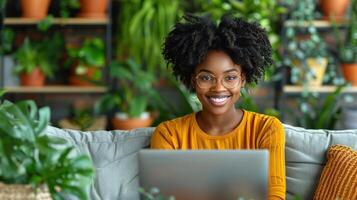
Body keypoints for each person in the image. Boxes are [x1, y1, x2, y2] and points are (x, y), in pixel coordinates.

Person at [151, 14, 286, 200]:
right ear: (193, 80)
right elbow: (163, 196)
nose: (219, 88)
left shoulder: (266, 129)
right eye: (206, 77)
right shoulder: (169, 135)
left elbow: (275, 195)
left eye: (230, 77)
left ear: (242, 80)